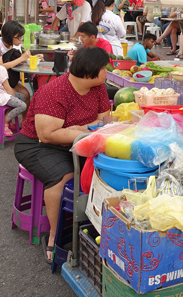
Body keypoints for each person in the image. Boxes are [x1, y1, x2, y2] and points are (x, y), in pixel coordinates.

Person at [14, 47, 112, 262]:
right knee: (64, 177)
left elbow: (105, 122)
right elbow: (48, 135)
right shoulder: (55, 91)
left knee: (105, 171)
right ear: (91, 71)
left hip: (79, 143)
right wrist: (86, 128)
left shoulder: (98, 89)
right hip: (37, 146)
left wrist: (77, 129)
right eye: (104, 68)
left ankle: (93, 225)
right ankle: (54, 235)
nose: (107, 72)